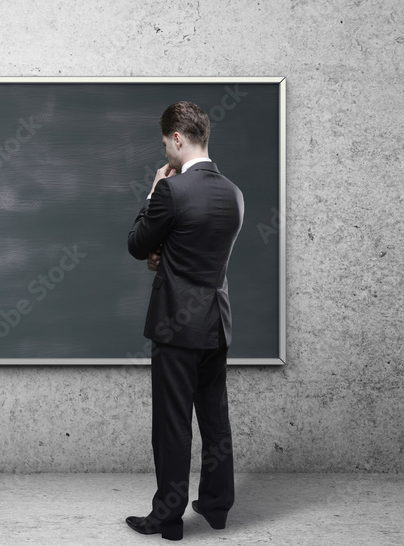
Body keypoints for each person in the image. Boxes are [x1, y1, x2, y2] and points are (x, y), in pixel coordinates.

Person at [125, 101, 244, 540]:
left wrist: (155, 190)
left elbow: (139, 244)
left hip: (177, 323)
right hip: (217, 321)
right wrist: (167, 253)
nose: (165, 150)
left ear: (177, 139)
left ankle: (168, 520)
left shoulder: (172, 191)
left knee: (173, 423)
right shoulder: (234, 193)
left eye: (164, 143)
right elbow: (200, 247)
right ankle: (216, 507)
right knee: (215, 420)